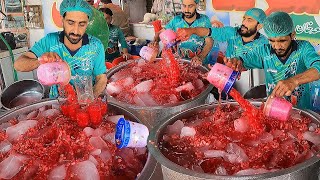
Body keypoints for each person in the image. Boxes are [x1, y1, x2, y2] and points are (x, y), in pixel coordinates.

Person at [224, 11, 320, 109]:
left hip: (301, 112)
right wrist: (236, 62)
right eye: (272, 41)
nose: (277, 46)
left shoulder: (303, 48)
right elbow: (242, 60)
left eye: (282, 41)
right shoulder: (264, 51)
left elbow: (318, 67)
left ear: (292, 35)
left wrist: (293, 81)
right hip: (273, 111)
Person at [14, 0, 107, 99]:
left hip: (86, 101)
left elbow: (101, 78)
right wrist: (41, 61)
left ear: (87, 23)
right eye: (70, 23)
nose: (76, 31)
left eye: (82, 24)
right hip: (57, 102)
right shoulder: (50, 41)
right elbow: (18, 65)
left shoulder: (96, 45)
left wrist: (91, 98)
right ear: (62, 20)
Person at [177, 8, 268, 59]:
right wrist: (192, 30)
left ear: (259, 26)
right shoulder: (233, 32)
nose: (244, 23)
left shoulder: (264, 44)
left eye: (249, 20)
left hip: (249, 80)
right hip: (225, 74)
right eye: (244, 18)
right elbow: (209, 32)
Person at [151, 0, 213, 67]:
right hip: (181, 63)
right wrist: (155, 41)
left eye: (190, 6)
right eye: (184, 6)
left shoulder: (204, 20)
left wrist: (200, 57)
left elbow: (209, 41)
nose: (186, 10)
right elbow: (160, 33)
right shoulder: (176, 20)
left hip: (199, 63)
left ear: (196, 5)